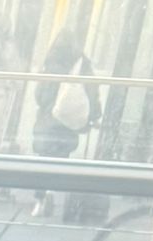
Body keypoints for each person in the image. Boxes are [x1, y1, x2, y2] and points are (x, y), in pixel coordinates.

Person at [30, 31, 102, 222]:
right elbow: (92, 92)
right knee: (60, 159)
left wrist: (47, 105)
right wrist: (94, 116)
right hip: (68, 122)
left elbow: (40, 94)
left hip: (48, 120)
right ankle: (51, 192)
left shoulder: (51, 63)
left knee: (44, 160)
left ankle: (39, 201)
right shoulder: (83, 65)